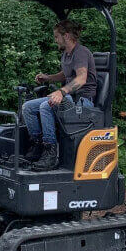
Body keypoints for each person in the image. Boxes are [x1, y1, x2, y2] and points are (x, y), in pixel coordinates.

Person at [22, 20, 97, 171]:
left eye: (57, 36)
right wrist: (48, 77)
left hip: (82, 102)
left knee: (46, 105)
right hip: (69, 98)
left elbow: (81, 78)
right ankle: (38, 146)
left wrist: (61, 92)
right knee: (28, 107)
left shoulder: (81, 52)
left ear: (66, 36)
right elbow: (66, 74)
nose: (55, 39)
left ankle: (51, 155)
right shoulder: (67, 54)